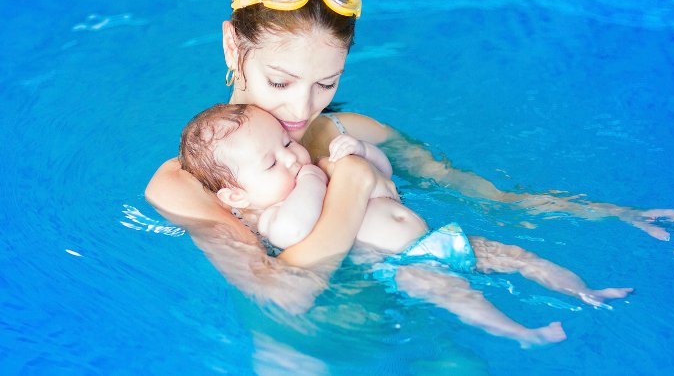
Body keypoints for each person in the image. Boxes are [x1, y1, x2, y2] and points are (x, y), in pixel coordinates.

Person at [145, 0, 674, 315]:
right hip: (304, 348)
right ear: (233, 48)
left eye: (326, 82)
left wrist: (613, 214)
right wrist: (353, 185)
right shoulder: (186, 183)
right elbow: (284, 295)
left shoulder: (353, 129)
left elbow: (489, 195)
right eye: (280, 80)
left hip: (420, 308)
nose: (301, 108)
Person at [178, 103, 637, 344]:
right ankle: (520, 333)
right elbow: (298, 233)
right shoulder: (276, 213)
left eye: (285, 143)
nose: (292, 156)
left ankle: (583, 291)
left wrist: (358, 153)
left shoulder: (312, 165)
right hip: (404, 263)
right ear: (237, 196)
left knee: (518, 256)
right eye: (272, 162)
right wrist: (317, 178)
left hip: (438, 238)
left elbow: (384, 170)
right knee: (460, 295)